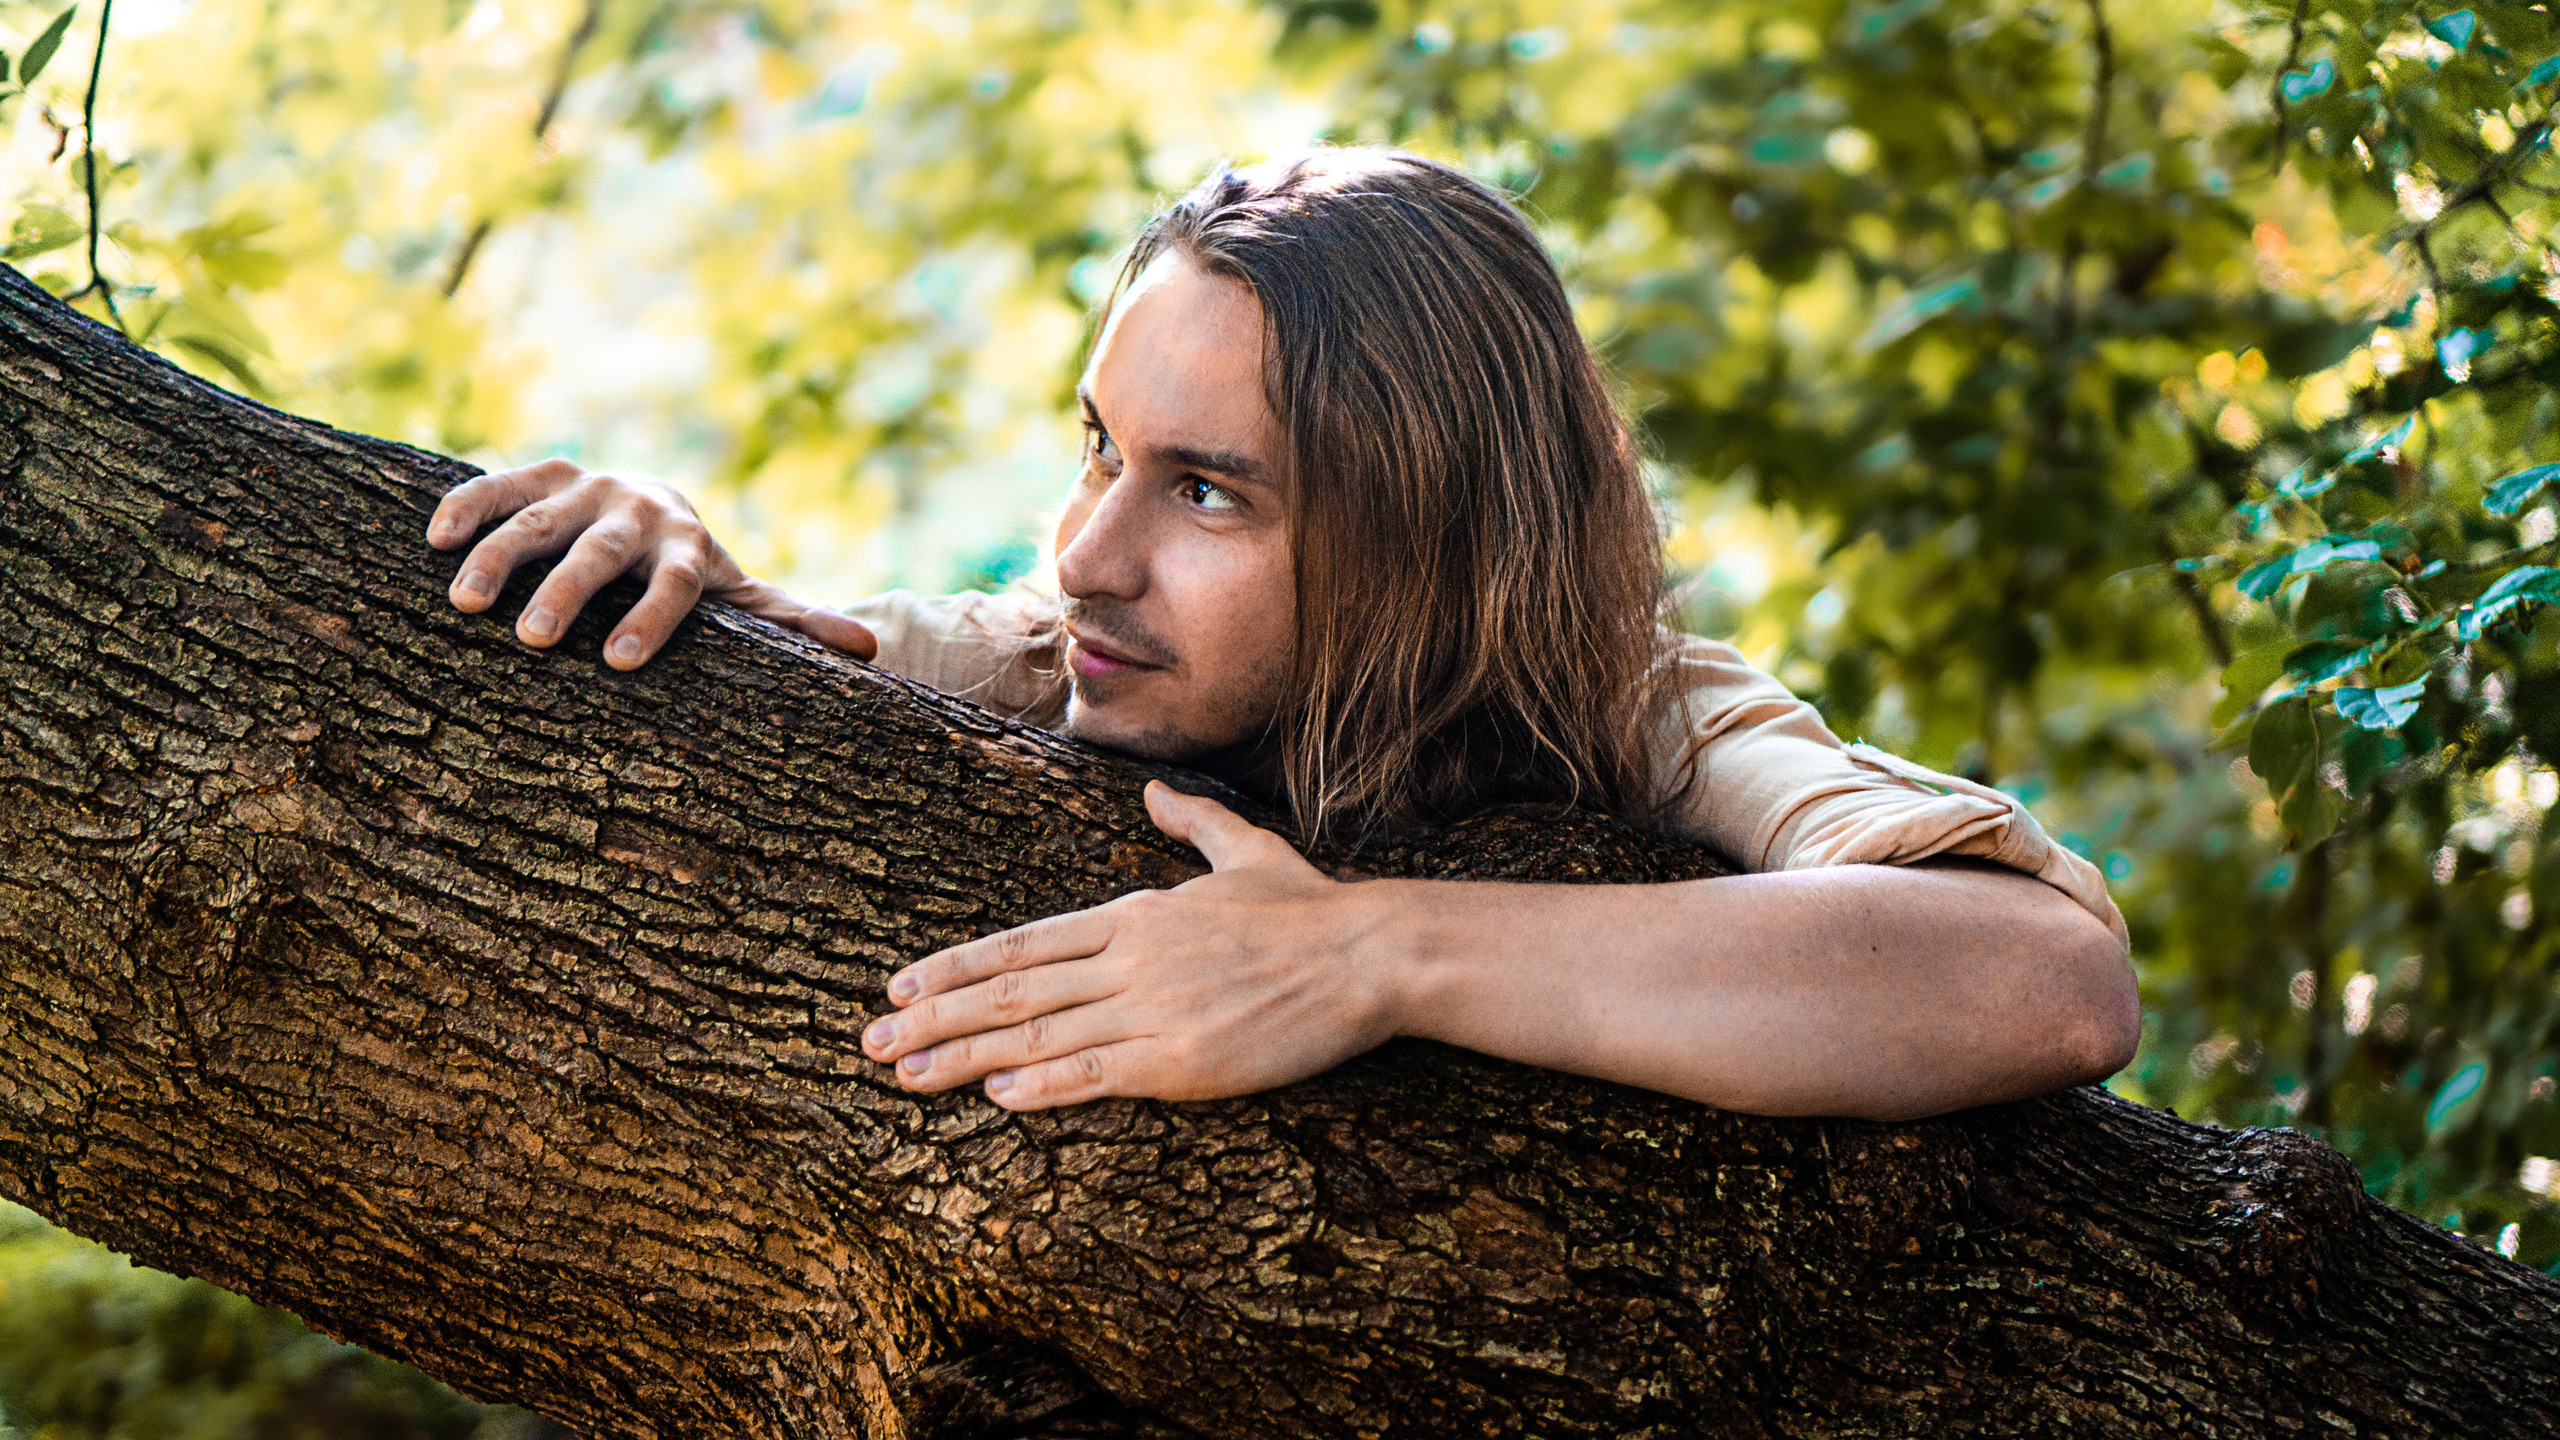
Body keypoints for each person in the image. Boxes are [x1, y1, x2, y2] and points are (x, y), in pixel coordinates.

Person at [425, 148, 2137, 1122]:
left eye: (1210, 494)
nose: (1091, 553)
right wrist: (661, 540)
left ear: (1430, 547)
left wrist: (1376, 954)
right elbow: (833, 638)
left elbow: (2043, 978)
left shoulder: (1634, 706)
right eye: (1102, 445)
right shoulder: (1064, 649)